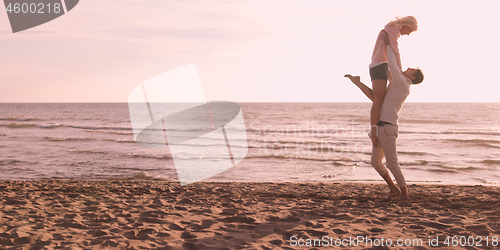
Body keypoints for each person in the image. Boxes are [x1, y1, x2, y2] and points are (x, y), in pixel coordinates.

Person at [345, 35, 424, 202]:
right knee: (375, 162)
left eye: (411, 70)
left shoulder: (403, 84)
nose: (407, 68)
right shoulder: (396, 82)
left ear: (413, 77)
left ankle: (405, 196)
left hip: (388, 128)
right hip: (380, 127)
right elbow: (378, 93)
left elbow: (393, 67)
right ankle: (393, 190)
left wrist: (390, 45)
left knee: (392, 163)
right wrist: (358, 82)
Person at [370, 16, 418, 147]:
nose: (408, 34)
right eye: (410, 31)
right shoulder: (393, 31)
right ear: (407, 25)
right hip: (380, 65)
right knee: (378, 100)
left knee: (378, 98)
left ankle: (357, 82)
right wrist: (400, 71)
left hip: (378, 64)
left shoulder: (390, 29)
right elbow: (395, 52)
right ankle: (373, 131)